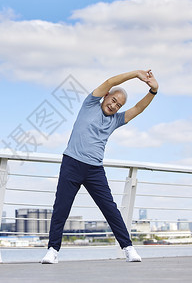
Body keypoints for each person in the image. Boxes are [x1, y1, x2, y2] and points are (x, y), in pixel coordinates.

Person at [41, 69, 159, 264]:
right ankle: (53, 250)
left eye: (118, 105)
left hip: (94, 169)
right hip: (71, 163)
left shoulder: (116, 120)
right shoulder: (90, 104)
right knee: (61, 208)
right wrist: (136, 74)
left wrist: (153, 91)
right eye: (113, 100)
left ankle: (128, 248)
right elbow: (110, 80)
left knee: (110, 209)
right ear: (106, 96)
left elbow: (138, 108)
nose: (114, 106)